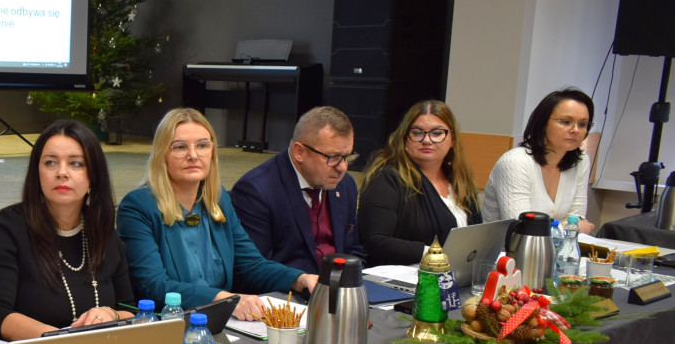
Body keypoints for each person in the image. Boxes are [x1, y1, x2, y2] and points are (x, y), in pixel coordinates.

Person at [117, 108, 318, 321]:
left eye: (202, 145)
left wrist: (299, 279)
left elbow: (251, 264)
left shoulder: (219, 200)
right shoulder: (138, 206)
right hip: (168, 324)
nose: (193, 155)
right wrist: (225, 299)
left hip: (221, 322)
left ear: (212, 152)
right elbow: (153, 285)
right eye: (180, 147)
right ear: (161, 154)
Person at [0, 120, 135, 339]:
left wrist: (111, 314)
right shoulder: (8, 228)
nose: (62, 172)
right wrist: (61, 340)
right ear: (37, 172)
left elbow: (130, 309)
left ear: (94, 175)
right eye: (50, 163)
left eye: (76, 163)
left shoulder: (102, 229)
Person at [230, 106, 365, 275]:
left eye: (347, 157)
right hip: (289, 289)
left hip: (339, 286)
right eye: (333, 157)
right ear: (299, 152)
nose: (343, 167)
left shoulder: (345, 185)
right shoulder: (256, 191)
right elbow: (255, 269)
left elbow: (353, 250)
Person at [357, 100, 482, 266]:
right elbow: (375, 241)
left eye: (437, 133)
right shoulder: (386, 178)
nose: (427, 140)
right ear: (405, 138)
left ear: (452, 139)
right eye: (417, 133)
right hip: (407, 276)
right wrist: (434, 254)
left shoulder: (459, 180)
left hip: (459, 274)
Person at [482, 88, 595, 234]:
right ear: (543, 123)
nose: (575, 130)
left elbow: (577, 218)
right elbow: (522, 229)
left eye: (582, 124)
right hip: (504, 247)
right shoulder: (515, 162)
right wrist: (568, 228)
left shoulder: (581, 160)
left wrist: (572, 227)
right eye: (566, 122)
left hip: (555, 247)